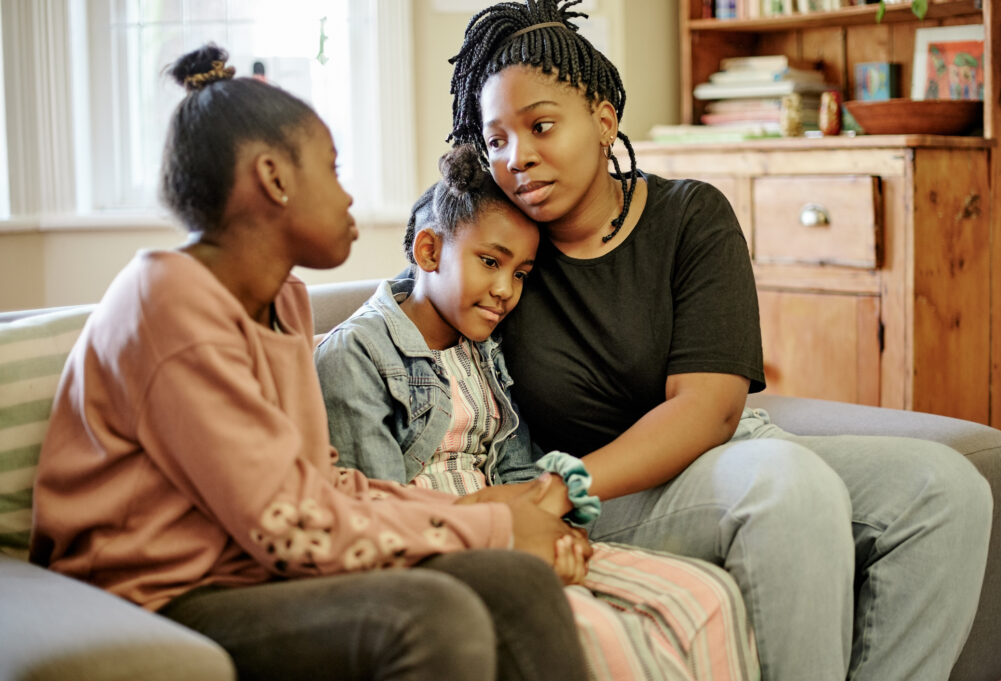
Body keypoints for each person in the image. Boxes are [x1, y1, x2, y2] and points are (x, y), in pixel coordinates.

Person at [444, 2, 995, 681]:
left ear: (604, 120)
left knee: (949, 491)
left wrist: (558, 486)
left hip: (721, 452)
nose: (516, 156)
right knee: (790, 489)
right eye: (495, 140)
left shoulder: (690, 214)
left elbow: (710, 410)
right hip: (605, 494)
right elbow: (418, 294)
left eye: (541, 126)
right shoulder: (502, 253)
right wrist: (558, 488)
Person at [29, 44, 590, 681]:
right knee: (429, 614)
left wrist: (495, 523)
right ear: (273, 178)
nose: (350, 198)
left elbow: (320, 486)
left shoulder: (284, 304)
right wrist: (489, 525)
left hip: (248, 570)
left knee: (516, 583)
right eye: (334, 168)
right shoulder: (167, 306)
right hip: (160, 595)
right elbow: (289, 525)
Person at [314, 143, 760, 681]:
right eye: (489, 262)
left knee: (703, 596)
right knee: (602, 635)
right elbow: (381, 512)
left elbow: (522, 468)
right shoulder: (354, 355)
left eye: (521, 273)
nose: (505, 290)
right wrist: (514, 531)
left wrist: (560, 530)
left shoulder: (485, 347)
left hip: (521, 527)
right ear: (430, 252)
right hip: (445, 550)